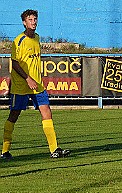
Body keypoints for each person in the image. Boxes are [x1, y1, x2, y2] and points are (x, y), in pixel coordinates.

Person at [1, 9, 70, 160]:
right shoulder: (18, 41)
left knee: (47, 112)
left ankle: (54, 149)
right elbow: (15, 63)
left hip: (37, 85)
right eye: (30, 19)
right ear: (24, 23)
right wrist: (27, 79)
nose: (33, 22)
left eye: (35, 19)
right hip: (21, 84)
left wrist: (35, 79)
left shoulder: (37, 38)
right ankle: (5, 151)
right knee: (14, 115)